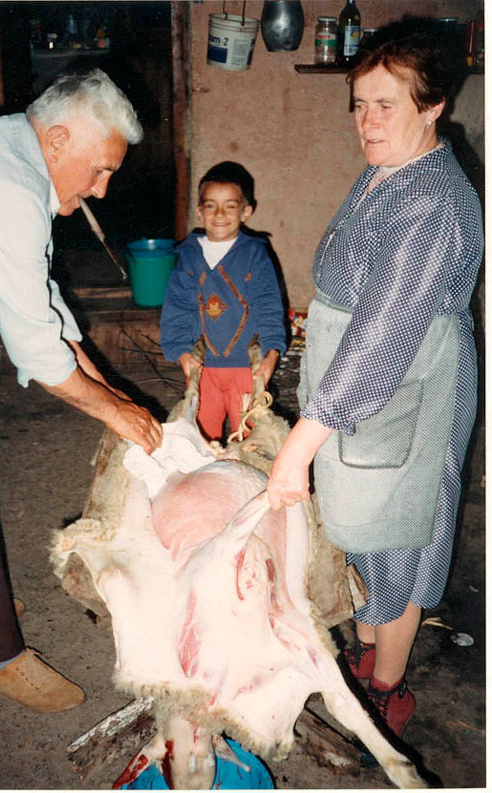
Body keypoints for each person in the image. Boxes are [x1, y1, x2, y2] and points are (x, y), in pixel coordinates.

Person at [266, 24, 483, 738]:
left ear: (432, 105)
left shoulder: (434, 201)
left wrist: (299, 442)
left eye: (385, 104)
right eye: (358, 104)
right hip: (361, 380)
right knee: (360, 521)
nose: (367, 122)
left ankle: (385, 685)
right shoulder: (388, 171)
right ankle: (365, 649)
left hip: (404, 380)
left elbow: (383, 331)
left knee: (400, 534)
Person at [0, 69, 163, 713]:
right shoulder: (10, 187)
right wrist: (116, 411)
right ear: (60, 137)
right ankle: (2, 657)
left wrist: (111, 398)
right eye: (98, 171)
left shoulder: (6, 149)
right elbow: (36, 349)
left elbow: (41, 307)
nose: (100, 189)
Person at [160, 161, 287, 440]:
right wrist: (182, 351)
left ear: (246, 211)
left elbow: (268, 305)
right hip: (202, 367)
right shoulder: (188, 257)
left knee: (250, 435)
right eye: (210, 206)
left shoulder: (255, 255)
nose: (219, 214)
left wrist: (271, 353)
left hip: (246, 367)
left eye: (230, 206)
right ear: (199, 211)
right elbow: (178, 307)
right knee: (202, 436)